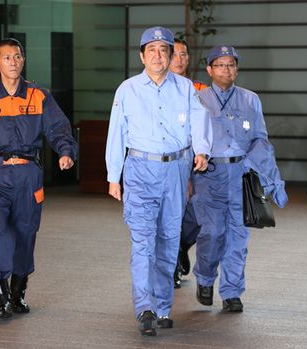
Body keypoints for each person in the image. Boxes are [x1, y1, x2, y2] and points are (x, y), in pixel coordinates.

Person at [105, 26, 212, 336]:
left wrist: (202, 150)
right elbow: (117, 134)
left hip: (175, 171)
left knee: (167, 242)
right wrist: (114, 176)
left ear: (170, 56)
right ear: (141, 56)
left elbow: (199, 120)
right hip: (139, 169)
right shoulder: (127, 90)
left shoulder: (186, 88)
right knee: (143, 243)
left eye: (163, 50)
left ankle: (163, 307)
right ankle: (145, 308)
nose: (158, 55)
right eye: (151, 50)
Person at [0, 38, 78, 320]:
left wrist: (65, 151)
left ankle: (17, 294)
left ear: (23, 60)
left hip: (28, 176)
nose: (13, 62)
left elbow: (59, 128)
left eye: (17, 57)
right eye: (7, 58)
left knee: (25, 235)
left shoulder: (39, 95)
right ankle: (0, 298)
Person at [192, 45, 287, 313]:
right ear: (209, 69)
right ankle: (205, 277)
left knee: (238, 236)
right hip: (209, 175)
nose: (227, 69)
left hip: (241, 175)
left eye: (231, 64)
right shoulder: (197, 99)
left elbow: (260, 139)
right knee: (212, 232)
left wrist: (272, 180)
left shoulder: (250, 99)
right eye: (220, 65)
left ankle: (232, 290)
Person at [168, 37, 208, 288]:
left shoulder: (201, 89)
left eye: (184, 54)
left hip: (198, 162)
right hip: (169, 163)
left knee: (199, 213)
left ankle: (181, 246)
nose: (180, 59)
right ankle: (170, 265)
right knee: (170, 214)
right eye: (175, 54)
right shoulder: (156, 90)